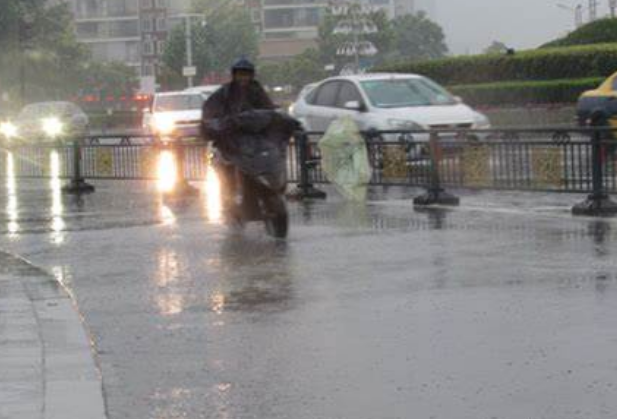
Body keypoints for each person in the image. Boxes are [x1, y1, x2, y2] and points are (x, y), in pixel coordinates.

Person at [201, 58, 277, 220]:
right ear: (234, 75)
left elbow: (270, 110)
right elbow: (209, 111)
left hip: (255, 142)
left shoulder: (257, 91)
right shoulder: (224, 93)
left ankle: (266, 194)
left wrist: (281, 122)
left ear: (251, 75)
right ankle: (231, 202)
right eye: (240, 74)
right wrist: (213, 124)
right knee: (226, 170)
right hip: (230, 143)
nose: (243, 78)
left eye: (246, 74)